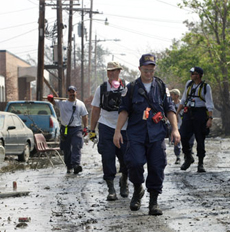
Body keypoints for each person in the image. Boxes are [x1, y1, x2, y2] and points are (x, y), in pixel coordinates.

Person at [113, 53, 180, 216]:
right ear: (140, 69)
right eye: (145, 70)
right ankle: (137, 189)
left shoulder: (161, 87)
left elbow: (170, 110)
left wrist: (175, 129)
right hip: (136, 134)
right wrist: (117, 132)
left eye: (151, 70)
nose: (148, 73)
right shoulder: (132, 88)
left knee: (157, 167)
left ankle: (153, 202)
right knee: (134, 163)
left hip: (156, 135)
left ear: (154, 68)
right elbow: (123, 111)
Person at [89, 61, 129, 201]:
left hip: (124, 127)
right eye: (109, 71)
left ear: (119, 71)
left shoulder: (127, 87)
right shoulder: (102, 89)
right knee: (107, 157)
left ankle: (124, 180)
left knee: (126, 158)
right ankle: (111, 188)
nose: (111, 73)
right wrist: (92, 130)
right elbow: (95, 110)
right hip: (106, 126)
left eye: (114, 71)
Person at [176, 67, 214, 173]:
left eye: (194, 73)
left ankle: (200, 163)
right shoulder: (189, 84)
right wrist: (177, 113)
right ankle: (188, 157)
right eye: (191, 73)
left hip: (200, 114)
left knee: (200, 138)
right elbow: (183, 100)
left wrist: (210, 118)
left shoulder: (206, 87)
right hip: (188, 113)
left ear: (199, 75)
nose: (192, 75)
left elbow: (209, 104)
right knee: (183, 136)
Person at [47, 86, 89, 174]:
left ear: (76, 93)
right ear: (68, 93)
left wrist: (85, 127)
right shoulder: (62, 103)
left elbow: (85, 116)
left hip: (76, 128)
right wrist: (50, 99)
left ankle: (76, 165)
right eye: (70, 92)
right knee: (66, 148)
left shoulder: (80, 104)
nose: (72, 94)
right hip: (65, 129)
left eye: (73, 92)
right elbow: (53, 101)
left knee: (76, 145)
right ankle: (69, 166)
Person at [169, 89, 195, 164]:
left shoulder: (183, 104)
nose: (171, 96)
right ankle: (177, 157)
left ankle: (187, 156)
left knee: (186, 141)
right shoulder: (171, 105)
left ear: (177, 95)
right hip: (175, 126)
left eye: (172, 95)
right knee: (176, 142)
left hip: (183, 125)